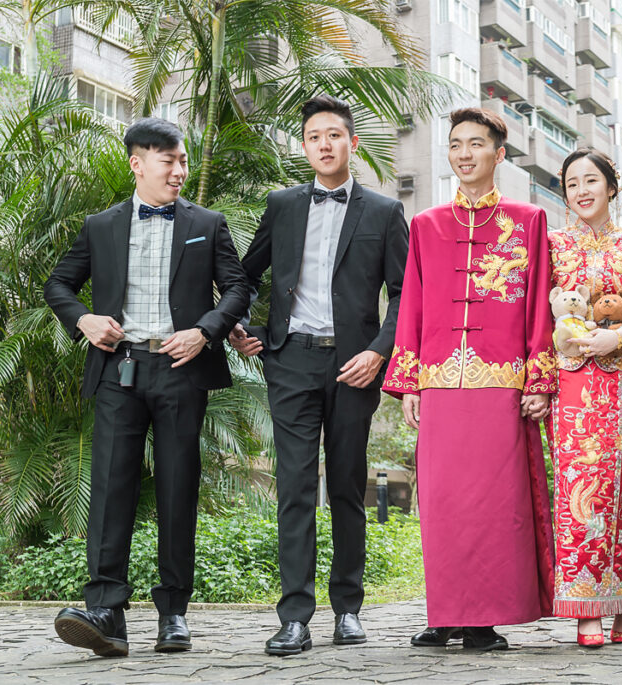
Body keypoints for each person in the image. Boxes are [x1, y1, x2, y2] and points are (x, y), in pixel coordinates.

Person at [44, 117, 249, 656]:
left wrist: (205, 331)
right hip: (119, 369)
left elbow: (237, 288)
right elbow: (59, 283)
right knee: (111, 488)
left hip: (181, 369)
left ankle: (173, 613)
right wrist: (84, 319)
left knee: (178, 488)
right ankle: (106, 611)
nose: (180, 171)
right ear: (137, 163)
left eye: (183, 161)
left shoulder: (208, 222)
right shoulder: (101, 225)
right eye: (169, 161)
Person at [229, 95, 408, 656]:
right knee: (295, 489)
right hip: (291, 361)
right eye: (313, 136)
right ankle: (294, 617)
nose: (324, 144)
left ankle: (348, 610)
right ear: (304, 146)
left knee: (348, 487)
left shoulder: (384, 212)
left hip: (355, 366)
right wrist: (244, 325)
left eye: (334, 135)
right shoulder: (282, 205)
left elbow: (406, 293)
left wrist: (379, 352)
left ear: (352, 142)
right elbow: (244, 275)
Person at [381, 107, 557, 651]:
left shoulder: (529, 221)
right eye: (456, 144)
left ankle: (483, 619)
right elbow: (411, 303)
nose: (464, 153)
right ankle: (446, 614)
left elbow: (539, 303)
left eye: (476, 144)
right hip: (438, 383)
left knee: (494, 506)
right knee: (443, 504)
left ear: (498, 154)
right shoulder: (426, 224)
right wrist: (409, 381)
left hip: (502, 383)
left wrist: (539, 379)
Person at [547, 148, 622, 647]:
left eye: (591, 180)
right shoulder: (552, 244)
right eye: (572, 183)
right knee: (580, 489)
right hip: (572, 384)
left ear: (612, 187)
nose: (582, 191)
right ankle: (586, 605)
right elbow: (538, 311)